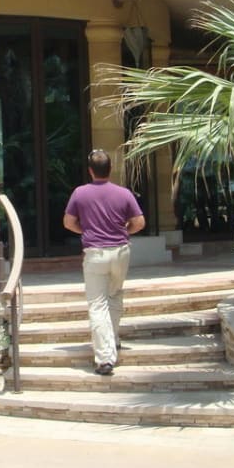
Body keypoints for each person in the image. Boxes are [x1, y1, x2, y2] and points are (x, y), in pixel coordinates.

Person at [63, 149, 145, 376]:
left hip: (95, 253)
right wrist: (124, 232)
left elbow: (68, 222)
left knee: (98, 304)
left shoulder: (80, 193)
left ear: (90, 171)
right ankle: (114, 339)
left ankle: (105, 358)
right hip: (120, 251)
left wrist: (85, 230)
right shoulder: (124, 193)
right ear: (110, 169)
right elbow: (139, 222)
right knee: (115, 295)